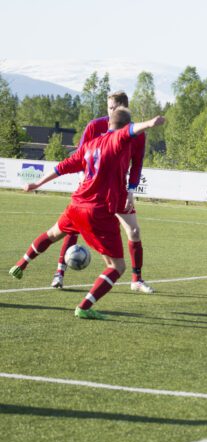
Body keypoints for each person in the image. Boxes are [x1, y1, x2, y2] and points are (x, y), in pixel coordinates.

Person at [9, 109, 165, 319]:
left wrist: (37, 183)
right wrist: (150, 123)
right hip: (97, 211)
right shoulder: (117, 139)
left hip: (76, 206)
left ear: (109, 122)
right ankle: (84, 306)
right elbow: (130, 131)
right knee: (117, 266)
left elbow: (63, 167)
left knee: (52, 233)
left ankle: (21, 265)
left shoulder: (90, 145)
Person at [51, 91, 154, 294]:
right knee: (73, 227)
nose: (110, 113)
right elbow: (81, 154)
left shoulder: (135, 133)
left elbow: (137, 163)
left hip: (117, 191)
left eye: (114, 108)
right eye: (108, 108)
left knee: (134, 231)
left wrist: (131, 190)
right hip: (91, 189)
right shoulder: (95, 126)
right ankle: (59, 272)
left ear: (124, 109)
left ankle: (137, 280)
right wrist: (83, 179)